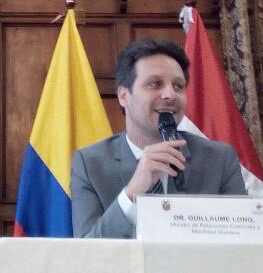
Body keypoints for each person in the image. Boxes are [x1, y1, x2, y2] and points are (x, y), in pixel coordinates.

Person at [71, 38, 247, 238]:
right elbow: (87, 250)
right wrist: (132, 193)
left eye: (178, 86)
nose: (170, 95)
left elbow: (244, 240)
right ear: (123, 96)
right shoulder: (90, 164)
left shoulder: (219, 159)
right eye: (155, 84)